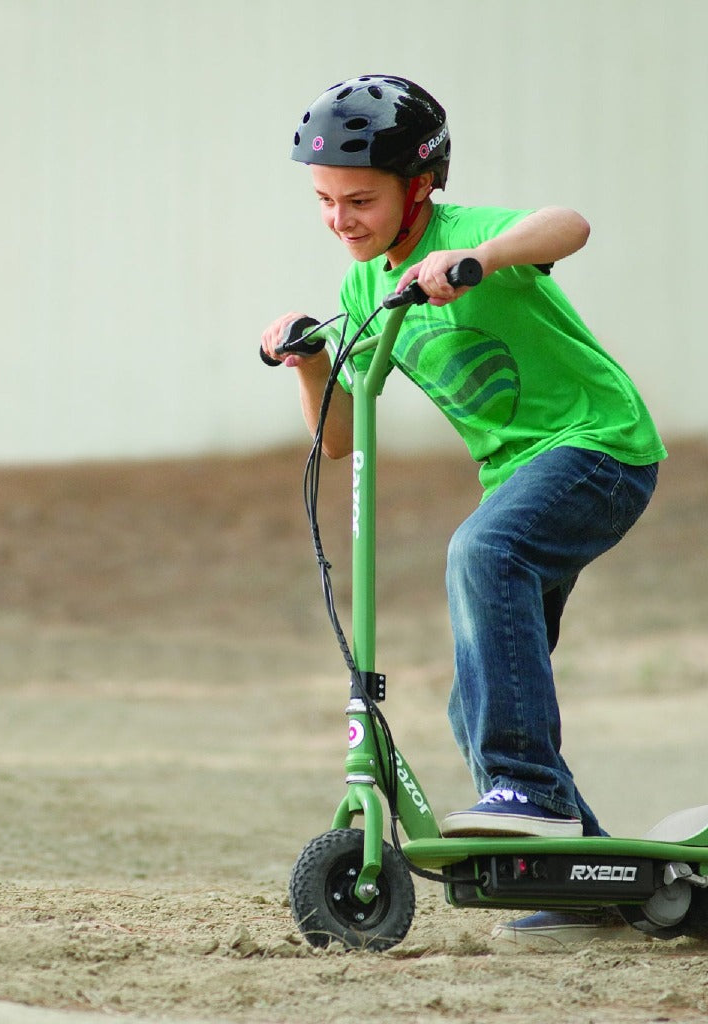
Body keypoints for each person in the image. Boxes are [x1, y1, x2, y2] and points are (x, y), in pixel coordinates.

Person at [261, 75, 667, 947]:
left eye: (360, 200)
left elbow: (570, 223)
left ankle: (533, 799)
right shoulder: (369, 289)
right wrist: (307, 358)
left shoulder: (462, 234)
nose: (340, 220)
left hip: (599, 448)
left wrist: (476, 262)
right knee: (480, 694)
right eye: (326, 202)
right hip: (520, 475)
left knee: (482, 556)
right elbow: (336, 438)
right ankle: (586, 878)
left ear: (421, 184)